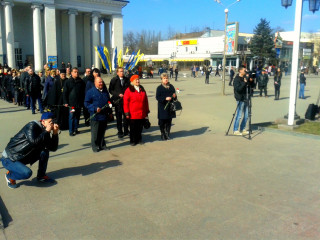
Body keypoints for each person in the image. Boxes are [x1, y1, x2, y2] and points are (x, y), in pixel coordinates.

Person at [1, 112, 59, 189]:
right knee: (27, 173)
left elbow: (53, 148)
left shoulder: (45, 130)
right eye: (50, 122)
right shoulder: (32, 126)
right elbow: (33, 142)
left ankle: (41, 176)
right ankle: (10, 176)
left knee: (44, 152)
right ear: (43, 121)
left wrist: (55, 133)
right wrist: (46, 131)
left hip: (23, 155)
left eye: (53, 122)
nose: (52, 125)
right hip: (10, 157)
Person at [85, 77, 111, 152]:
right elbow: (86, 103)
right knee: (95, 133)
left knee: (102, 132)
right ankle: (95, 146)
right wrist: (94, 108)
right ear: (95, 83)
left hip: (104, 116)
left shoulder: (105, 91)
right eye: (99, 82)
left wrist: (110, 110)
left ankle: (102, 145)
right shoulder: (90, 92)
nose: (101, 84)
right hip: (95, 116)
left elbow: (108, 101)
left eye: (101, 82)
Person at [123, 75, 149, 146]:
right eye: (136, 80)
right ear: (132, 81)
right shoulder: (128, 90)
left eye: (138, 80)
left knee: (140, 127)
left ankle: (139, 139)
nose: (137, 81)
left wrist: (147, 110)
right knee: (133, 128)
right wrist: (127, 113)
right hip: (133, 113)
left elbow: (146, 101)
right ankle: (133, 140)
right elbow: (125, 102)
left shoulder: (142, 89)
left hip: (141, 112)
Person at [63, 67, 85, 136]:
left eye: (77, 72)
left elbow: (83, 91)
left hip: (79, 102)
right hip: (71, 103)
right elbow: (65, 93)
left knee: (77, 117)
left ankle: (76, 129)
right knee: (72, 117)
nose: (77, 73)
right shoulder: (68, 82)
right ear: (71, 73)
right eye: (75, 72)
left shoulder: (81, 81)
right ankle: (71, 130)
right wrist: (65, 102)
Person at [109, 67, 130, 138]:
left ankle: (126, 130)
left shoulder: (127, 80)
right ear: (117, 72)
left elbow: (130, 88)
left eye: (123, 71)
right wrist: (118, 94)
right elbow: (111, 90)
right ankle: (120, 131)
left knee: (126, 117)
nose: (122, 73)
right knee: (119, 118)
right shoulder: (114, 80)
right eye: (120, 71)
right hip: (118, 102)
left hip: (126, 102)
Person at [156, 73, 177, 140]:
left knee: (169, 121)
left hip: (170, 107)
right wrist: (165, 98)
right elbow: (157, 97)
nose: (166, 80)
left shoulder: (171, 86)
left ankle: (167, 134)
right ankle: (162, 133)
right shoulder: (159, 88)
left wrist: (174, 96)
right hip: (162, 107)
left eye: (167, 78)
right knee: (162, 121)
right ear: (161, 80)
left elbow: (174, 97)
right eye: (164, 78)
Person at [233, 65, 250, 136]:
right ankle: (235, 130)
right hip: (240, 99)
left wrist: (250, 80)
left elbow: (251, 86)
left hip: (246, 98)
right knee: (239, 115)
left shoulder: (245, 78)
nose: (245, 71)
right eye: (244, 70)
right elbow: (238, 89)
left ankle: (243, 128)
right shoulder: (236, 79)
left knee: (246, 115)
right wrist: (244, 82)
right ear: (240, 71)